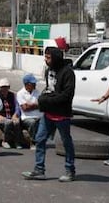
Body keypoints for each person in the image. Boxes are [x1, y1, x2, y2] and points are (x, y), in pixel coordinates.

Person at [23, 47, 77, 182]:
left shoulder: (68, 73)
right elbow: (49, 89)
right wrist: (43, 99)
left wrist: (47, 100)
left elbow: (67, 95)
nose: (46, 60)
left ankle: (70, 170)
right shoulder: (49, 71)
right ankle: (39, 170)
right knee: (40, 139)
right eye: (45, 57)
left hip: (62, 114)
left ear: (56, 57)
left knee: (66, 142)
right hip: (48, 114)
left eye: (48, 57)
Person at [17, 73, 42, 149]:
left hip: (39, 115)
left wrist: (31, 105)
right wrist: (35, 105)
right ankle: (33, 142)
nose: (35, 85)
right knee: (32, 123)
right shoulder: (20, 93)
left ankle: (42, 141)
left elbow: (42, 105)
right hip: (27, 117)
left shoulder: (37, 92)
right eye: (32, 83)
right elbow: (25, 108)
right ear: (27, 84)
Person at [0, 78, 21, 149]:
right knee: (8, 123)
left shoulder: (12, 95)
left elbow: (17, 107)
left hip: (11, 116)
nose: (4, 89)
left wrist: (15, 114)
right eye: (3, 87)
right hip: (1, 117)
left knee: (17, 122)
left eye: (6, 87)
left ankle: (17, 142)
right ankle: (5, 141)